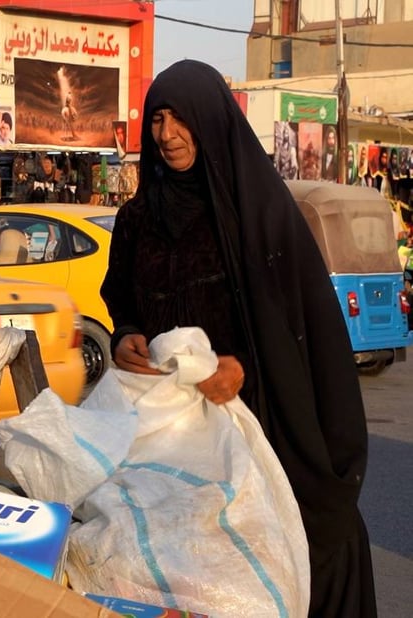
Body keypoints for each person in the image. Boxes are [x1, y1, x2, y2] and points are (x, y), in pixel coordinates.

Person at [100, 60, 375, 617]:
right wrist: (125, 336)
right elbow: (122, 301)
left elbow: (296, 328)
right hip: (169, 436)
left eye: (182, 119)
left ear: (212, 122)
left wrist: (243, 367)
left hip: (259, 423)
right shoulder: (135, 220)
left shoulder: (259, 216)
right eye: (158, 119)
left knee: (301, 553)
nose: (168, 134)